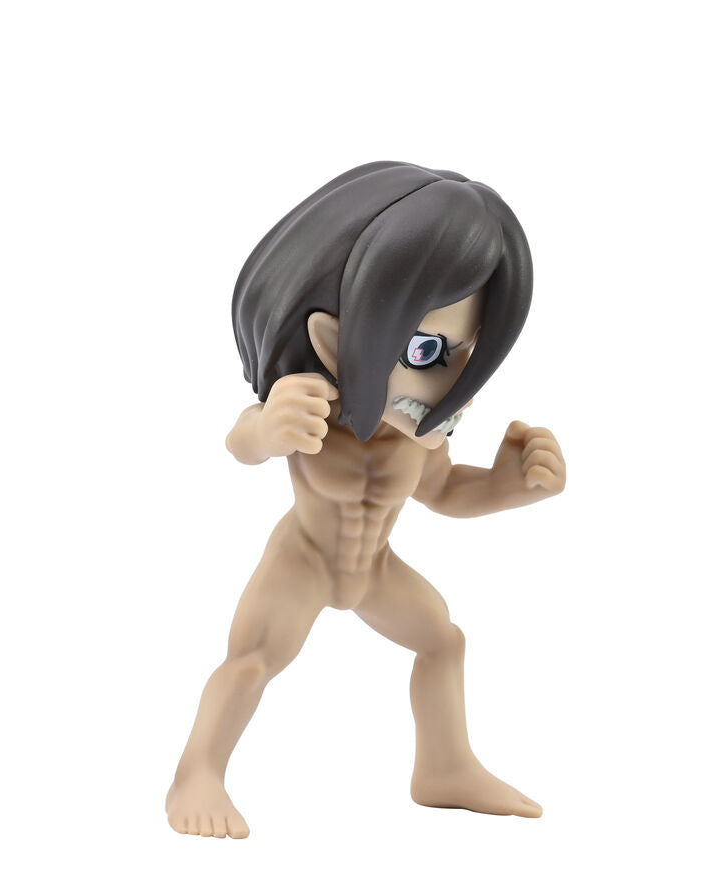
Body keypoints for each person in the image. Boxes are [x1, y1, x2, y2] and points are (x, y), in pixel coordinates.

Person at [167, 162, 566, 838]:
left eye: (465, 353)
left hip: (374, 569)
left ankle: (444, 767)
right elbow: (241, 443)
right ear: (334, 337)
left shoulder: (417, 439)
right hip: (302, 561)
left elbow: (446, 491)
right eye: (425, 350)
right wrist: (269, 428)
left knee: (442, 641)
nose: (450, 384)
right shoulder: (313, 411)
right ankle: (197, 774)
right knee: (252, 661)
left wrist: (509, 487)